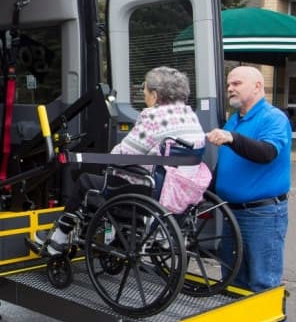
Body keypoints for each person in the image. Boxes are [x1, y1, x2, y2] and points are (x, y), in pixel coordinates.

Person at [39, 66, 206, 254]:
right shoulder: (190, 116)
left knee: (86, 180)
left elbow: (122, 156)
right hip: (182, 192)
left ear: (156, 94)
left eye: (144, 88)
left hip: (150, 193)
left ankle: (58, 238)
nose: (143, 92)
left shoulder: (153, 116)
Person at [206, 65, 292, 322]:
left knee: (263, 283)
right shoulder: (236, 119)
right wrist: (205, 191)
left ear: (258, 86)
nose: (230, 87)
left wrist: (231, 138)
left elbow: (266, 153)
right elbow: (228, 165)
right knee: (235, 279)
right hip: (233, 210)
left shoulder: (273, 119)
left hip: (263, 214)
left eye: (237, 82)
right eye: (229, 83)